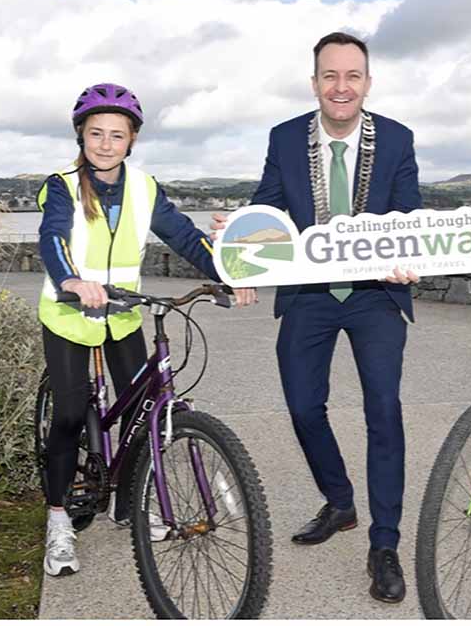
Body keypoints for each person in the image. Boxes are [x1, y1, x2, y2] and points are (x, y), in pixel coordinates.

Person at [213, 32, 421, 603]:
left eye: (352, 76)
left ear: (367, 84)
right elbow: (267, 207)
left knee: (383, 411)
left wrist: (410, 255)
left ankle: (384, 545)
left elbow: (409, 213)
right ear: (314, 83)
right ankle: (340, 501)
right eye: (330, 76)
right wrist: (238, 239)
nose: (341, 86)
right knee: (304, 405)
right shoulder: (285, 138)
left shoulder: (397, 138)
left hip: (376, 295)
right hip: (309, 292)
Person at [37, 83, 249, 577]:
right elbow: (52, 237)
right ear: (81, 136)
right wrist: (71, 279)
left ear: (132, 140)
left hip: (123, 313)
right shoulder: (62, 185)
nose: (106, 144)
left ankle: (129, 501)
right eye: (96, 134)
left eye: (117, 135)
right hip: (69, 313)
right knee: (69, 413)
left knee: (142, 413)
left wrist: (228, 273)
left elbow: (185, 237)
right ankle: (59, 519)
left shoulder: (145, 188)